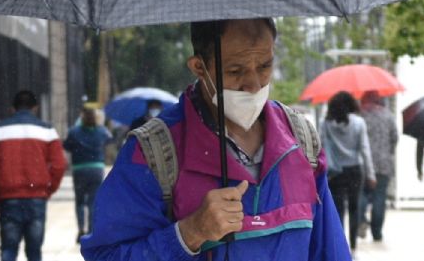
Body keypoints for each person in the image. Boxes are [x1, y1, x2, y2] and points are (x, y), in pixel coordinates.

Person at [81, 19, 351, 261]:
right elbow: (106, 254)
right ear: (199, 67)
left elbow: (330, 250)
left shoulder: (301, 141)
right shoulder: (153, 154)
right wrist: (188, 234)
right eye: (235, 71)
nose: (254, 84)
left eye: (265, 66)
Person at [0, 90, 67, 261]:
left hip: (9, 197)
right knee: (34, 251)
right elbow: (59, 165)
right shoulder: (48, 131)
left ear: (12, 109)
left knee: (8, 249)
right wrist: (48, 189)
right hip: (36, 196)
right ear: (35, 108)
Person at [320, 91, 376, 251]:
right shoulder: (359, 123)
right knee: (354, 207)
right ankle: (353, 245)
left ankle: (340, 245)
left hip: (335, 173)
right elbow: (365, 150)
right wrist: (371, 174)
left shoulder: (326, 124)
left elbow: (321, 147)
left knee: (338, 210)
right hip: (355, 171)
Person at [64, 106, 112, 243]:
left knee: (79, 201)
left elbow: (66, 146)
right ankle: (90, 231)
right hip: (96, 168)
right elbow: (109, 141)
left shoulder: (74, 132)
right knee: (92, 201)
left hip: (79, 169)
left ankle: (80, 229)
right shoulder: (102, 131)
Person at [357, 91, 398, 242]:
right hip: (384, 164)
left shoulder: (360, 116)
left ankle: (361, 221)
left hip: (363, 163)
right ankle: (377, 232)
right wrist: (388, 152)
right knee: (379, 198)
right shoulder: (388, 115)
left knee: (361, 194)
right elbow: (394, 137)